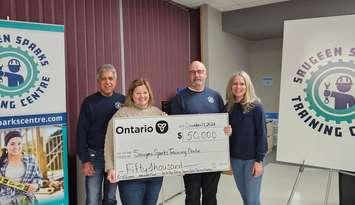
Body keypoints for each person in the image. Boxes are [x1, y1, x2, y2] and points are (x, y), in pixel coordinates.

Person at [170, 61, 229, 205]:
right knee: (192, 196)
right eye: (193, 72)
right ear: (188, 75)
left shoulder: (215, 96)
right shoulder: (179, 98)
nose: (197, 75)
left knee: (211, 196)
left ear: (206, 74)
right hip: (190, 159)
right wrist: (178, 161)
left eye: (200, 71)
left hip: (213, 156)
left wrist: (227, 129)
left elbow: (223, 124)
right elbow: (174, 132)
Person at [105, 78, 164, 205]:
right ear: (132, 95)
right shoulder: (121, 114)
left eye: (145, 92)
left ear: (149, 94)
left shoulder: (158, 114)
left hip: (154, 176)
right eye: (138, 93)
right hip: (131, 177)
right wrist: (110, 168)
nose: (142, 96)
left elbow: (168, 142)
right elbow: (109, 142)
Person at [77, 64, 125, 205]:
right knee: (92, 198)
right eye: (103, 79)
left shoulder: (123, 101)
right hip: (94, 157)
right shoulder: (89, 102)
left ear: (116, 81)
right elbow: (81, 132)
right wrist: (85, 160)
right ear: (98, 82)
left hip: (115, 156)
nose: (107, 82)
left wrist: (160, 116)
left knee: (110, 198)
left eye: (110, 78)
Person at [225, 71, 267, 205]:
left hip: (252, 160)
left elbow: (262, 134)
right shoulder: (228, 108)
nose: (238, 87)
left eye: (242, 83)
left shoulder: (256, 107)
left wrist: (259, 161)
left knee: (252, 199)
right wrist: (226, 131)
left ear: (247, 86)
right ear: (231, 86)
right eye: (235, 84)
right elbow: (225, 135)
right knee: (245, 196)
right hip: (236, 159)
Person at [0, 130, 42, 204]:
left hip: (26, 199)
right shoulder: (1, 163)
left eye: (19, 143)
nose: (16, 147)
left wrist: (35, 185)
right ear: (6, 146)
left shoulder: (31, 160)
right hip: (5, 200)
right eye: (12, 144)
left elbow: (38, 178)